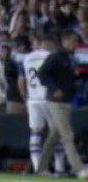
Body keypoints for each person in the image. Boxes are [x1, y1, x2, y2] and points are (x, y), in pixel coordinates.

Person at [36, 30, 88, 178]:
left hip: (66, 101)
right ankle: (79, 169)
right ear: (64, 41)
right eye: (73, 41)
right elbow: (42, 73)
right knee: (67, 134)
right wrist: (54, 88)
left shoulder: (70, 58)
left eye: (76, 41)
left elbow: (70, 78)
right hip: (56, 102)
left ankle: (41, 167)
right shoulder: (56, 57)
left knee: (54, 135)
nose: (75, 44)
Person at [19, 33, 66, 174]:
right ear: (46, 42)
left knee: (36, 132)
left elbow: (21, 82)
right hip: (49, 98)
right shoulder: (51, 56)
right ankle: (59, 167)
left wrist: (26, 98)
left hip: (33, 99)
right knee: (56, 132)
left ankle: (37, 167)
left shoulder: (26, 58)